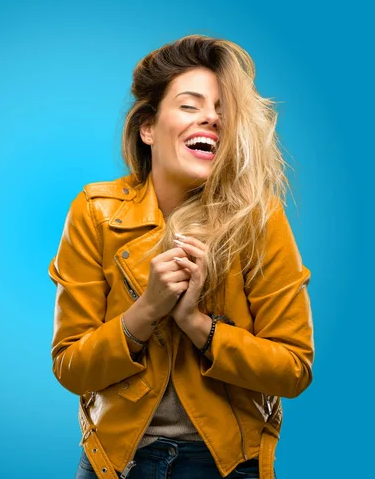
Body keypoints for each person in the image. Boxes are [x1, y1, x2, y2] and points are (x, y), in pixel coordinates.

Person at [48, 34, 314, 479]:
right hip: (115, 464)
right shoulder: (94, 213)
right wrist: (146, 310)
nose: (210, 118)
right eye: (190, 106)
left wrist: (198, 326)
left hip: (228, 466)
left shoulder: (259, 218)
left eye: (221, 111)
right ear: (147, 128)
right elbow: (72, 368)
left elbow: (293, 369)